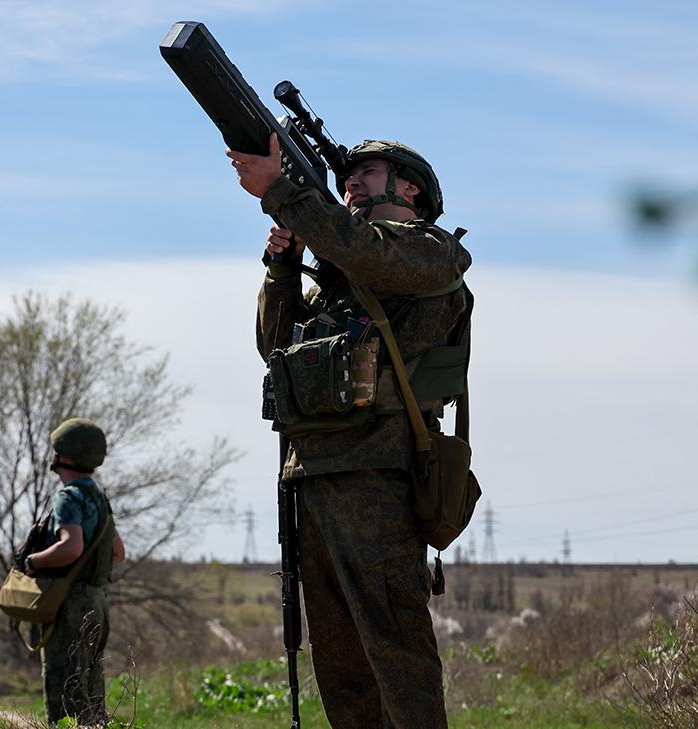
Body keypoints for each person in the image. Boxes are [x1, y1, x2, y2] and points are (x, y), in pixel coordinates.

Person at [228, 134, 472, 728]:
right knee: (341, 660)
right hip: (314, 475)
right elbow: (274, 345)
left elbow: (365, 251)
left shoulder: (430, 254)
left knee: (396, 648)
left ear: (408, 187)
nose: (351, 182)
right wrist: (282, 270)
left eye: (366, 172)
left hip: (377, 475)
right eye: (346, 176)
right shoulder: (339, 280)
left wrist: (281, 193)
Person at [21, 417, 126, 726]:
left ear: (63, 455)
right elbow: (117, 553)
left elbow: (71, 547)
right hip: (97, 604)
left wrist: (33, 562)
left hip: (70, 605)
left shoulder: (68, 497)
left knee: (65, 694)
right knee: (91, 695)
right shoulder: (98, 497)